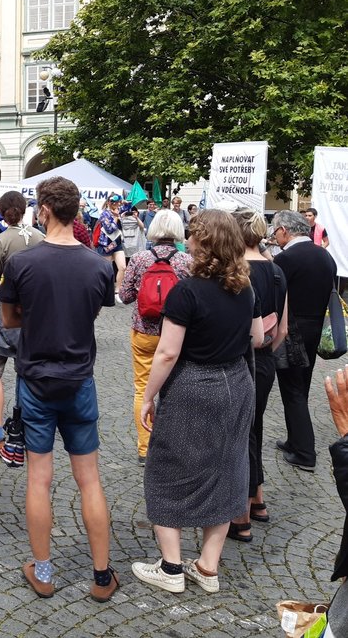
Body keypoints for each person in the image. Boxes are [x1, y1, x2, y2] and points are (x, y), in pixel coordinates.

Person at [0, 177, 118, 601]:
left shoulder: (23, 264)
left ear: (44, 209)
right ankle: (102, 576)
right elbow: (93, 312)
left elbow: (9, 320)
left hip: (36, 380)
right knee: (90, 481)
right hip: (79, 379)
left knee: (38, 479)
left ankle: (44, 572)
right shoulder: (100, 265)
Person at [133, 210, 261, 595]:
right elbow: (257, 339)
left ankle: (171, 567)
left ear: (204, 243)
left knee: (166, 469)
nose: (187, 240)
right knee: (226, 469)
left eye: (193, 235)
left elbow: (168, 354)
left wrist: (148, 396)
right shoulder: (246, 289)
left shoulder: (187, 291)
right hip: (237, 384)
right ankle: (207, 568)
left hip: (193, 386)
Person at [228, 209, 288, 542]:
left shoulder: (238, 271)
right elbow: (282, 329)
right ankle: (258, 500)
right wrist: (267, 351)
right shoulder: (277, 271)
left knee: (242, 433)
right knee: (256, 426)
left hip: (241, 360)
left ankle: (241, 517)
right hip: (265, 361)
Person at [118, 210, 192, 465]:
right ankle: (173, 446)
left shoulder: (139, 259)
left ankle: (145, 448)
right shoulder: (186, 261)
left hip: (144, 331)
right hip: (178, 334)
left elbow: (125, 296)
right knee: (175, 388)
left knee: (142, 388)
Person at [0, 191, 44, 455]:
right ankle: (27, 428)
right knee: (28, 372)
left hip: (3, 314)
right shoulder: (40, 238)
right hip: (35, 315)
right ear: (25, 209)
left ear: (0, 211)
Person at [272, 209, 338, 472]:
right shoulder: (326, 257)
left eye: (275, 230)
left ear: (285, 230)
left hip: (292, 329)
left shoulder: (287, 258)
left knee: (292, 389)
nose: (275, 236)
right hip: (314, 328)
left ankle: (304, 452)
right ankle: (294, 440)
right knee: (302, 386)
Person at [96, 195, 126, 297]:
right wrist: (116, 217)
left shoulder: (119, 210)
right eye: (116, 203)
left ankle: (118, 289)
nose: (118, 204)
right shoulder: (104, 214)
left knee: (122, 267)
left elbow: (128, 207)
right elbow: (109, 229)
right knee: (106, 269)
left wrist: (125, 203)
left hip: (117, 243)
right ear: (110, 203)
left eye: (119, 203)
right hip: (106, 244)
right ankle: (103, 289)